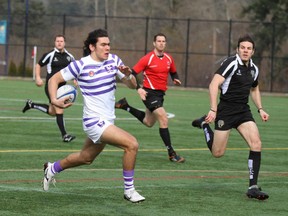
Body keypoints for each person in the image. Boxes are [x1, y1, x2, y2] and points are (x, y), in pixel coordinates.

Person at [42, 29, 145, 203]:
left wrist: (129, 75)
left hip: (107, 120)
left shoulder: (114, 60)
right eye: (103, 45)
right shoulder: (80, 65)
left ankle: (52, 168)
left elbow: (131, 85)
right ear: (92, 46)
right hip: (93, 121)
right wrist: (54, 100)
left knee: (86, 158)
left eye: (108, 44)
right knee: (132, 144)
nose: (107, 48)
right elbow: (54, 80)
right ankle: (129, 191)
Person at [191, 34, 269, 200]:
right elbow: (213, 84)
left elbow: (254, 89)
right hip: (226, 111)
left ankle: (252, 187)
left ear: (253, 51)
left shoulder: (254, 69)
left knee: (256, 143)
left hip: (243, 111)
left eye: (248, 48)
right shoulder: (231, 63)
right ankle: (204, 125)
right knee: (217, 153)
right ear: (237, 49)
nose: (245, 51)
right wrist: (213, 109)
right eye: (242, 48)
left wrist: (260, 108)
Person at [115, 33, 185, 163]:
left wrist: (176, 78)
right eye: (159, 41)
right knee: (163, 118)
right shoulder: (147, 58)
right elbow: (132, 74)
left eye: (163, 41)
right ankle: (171, 153)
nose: (161, 43)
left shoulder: (169, 58)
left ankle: (125, 106)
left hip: (160, 94)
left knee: (148, 122)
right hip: (148, 93)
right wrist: (139, 89)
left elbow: (173, 71)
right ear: (154, 43)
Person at [22, 34, 76, 142]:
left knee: (52, 111)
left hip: (62, 88)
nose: (59, 43)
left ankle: (31, 104)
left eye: (61, 41)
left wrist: (76, 79)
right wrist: (37, 77)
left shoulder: (70, 57)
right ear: (55, 43)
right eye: (57, 41)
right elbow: (38, 65)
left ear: (64, 43)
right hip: (51, 86)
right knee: (59, 108)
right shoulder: (50, 55)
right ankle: (65, 135)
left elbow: (76, 69)